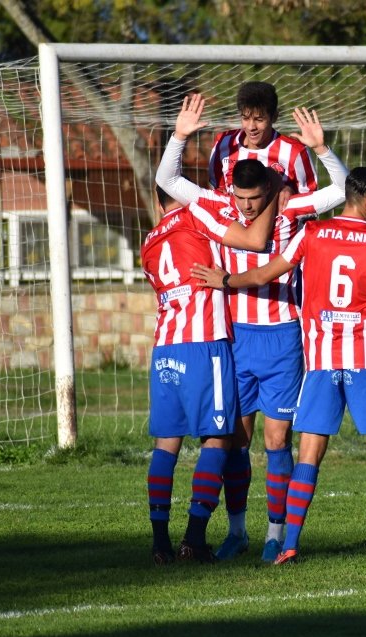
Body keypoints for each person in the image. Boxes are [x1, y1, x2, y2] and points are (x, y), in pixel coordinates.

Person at [190, 167, 366, 564]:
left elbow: (266, 272)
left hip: (320, 359)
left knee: (309, 452)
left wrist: (228, 280)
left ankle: (289, 545)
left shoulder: (312, 233)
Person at [157, 93, 348, 562]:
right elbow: (166, 179)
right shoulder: (216, 206)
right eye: (239, 198)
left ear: (270, 193)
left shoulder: (291, 207)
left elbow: (342, 190)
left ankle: (275, 534)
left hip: (283, 336)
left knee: (276, 439)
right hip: (234, 336)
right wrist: (180, 136)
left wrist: (323, 150)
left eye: (253, 200)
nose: (244, 207)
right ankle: (238, 531)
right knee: (236, 439)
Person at [141, 180, 279, 565]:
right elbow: (253, 240)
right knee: (218, 440)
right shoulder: (197, 214)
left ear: (156, 199)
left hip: (165, 347)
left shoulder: (149, 241)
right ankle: (194, 539)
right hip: (204, 343)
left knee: (166, 445)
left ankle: (159, 544)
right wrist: (272, 194)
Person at [208, 80, 318, 209]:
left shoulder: (295, 151)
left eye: (259, 120)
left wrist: (291, 193)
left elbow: (311, 201)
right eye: (245, 118)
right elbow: (217, 190)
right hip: (231, 226)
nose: (251, 127)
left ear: (274, 117)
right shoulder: (223, 143)